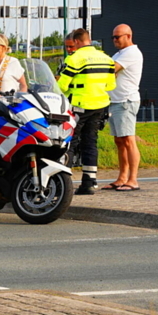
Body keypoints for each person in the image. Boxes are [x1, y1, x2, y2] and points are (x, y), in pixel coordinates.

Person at [58, 28, 116, 195]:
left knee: (69, 142)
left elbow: (62, 86)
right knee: (90, 142)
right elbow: (111, 85)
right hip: (100, 105)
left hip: (79, 105)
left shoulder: (75, 59)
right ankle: (89, 182)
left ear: (76, 41)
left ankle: (63, 183)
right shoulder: (107, 59)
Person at [103, 25, 144, 191]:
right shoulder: (119, 54)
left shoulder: (131, 52)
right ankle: (122, 177)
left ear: (128, 36)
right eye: (113, 37)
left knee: (128, 140)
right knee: (119, 141)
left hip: (126, 101)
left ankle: (133, 179)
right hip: (115, 101)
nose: (114, 40)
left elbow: (110, 70)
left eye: (117, 37)